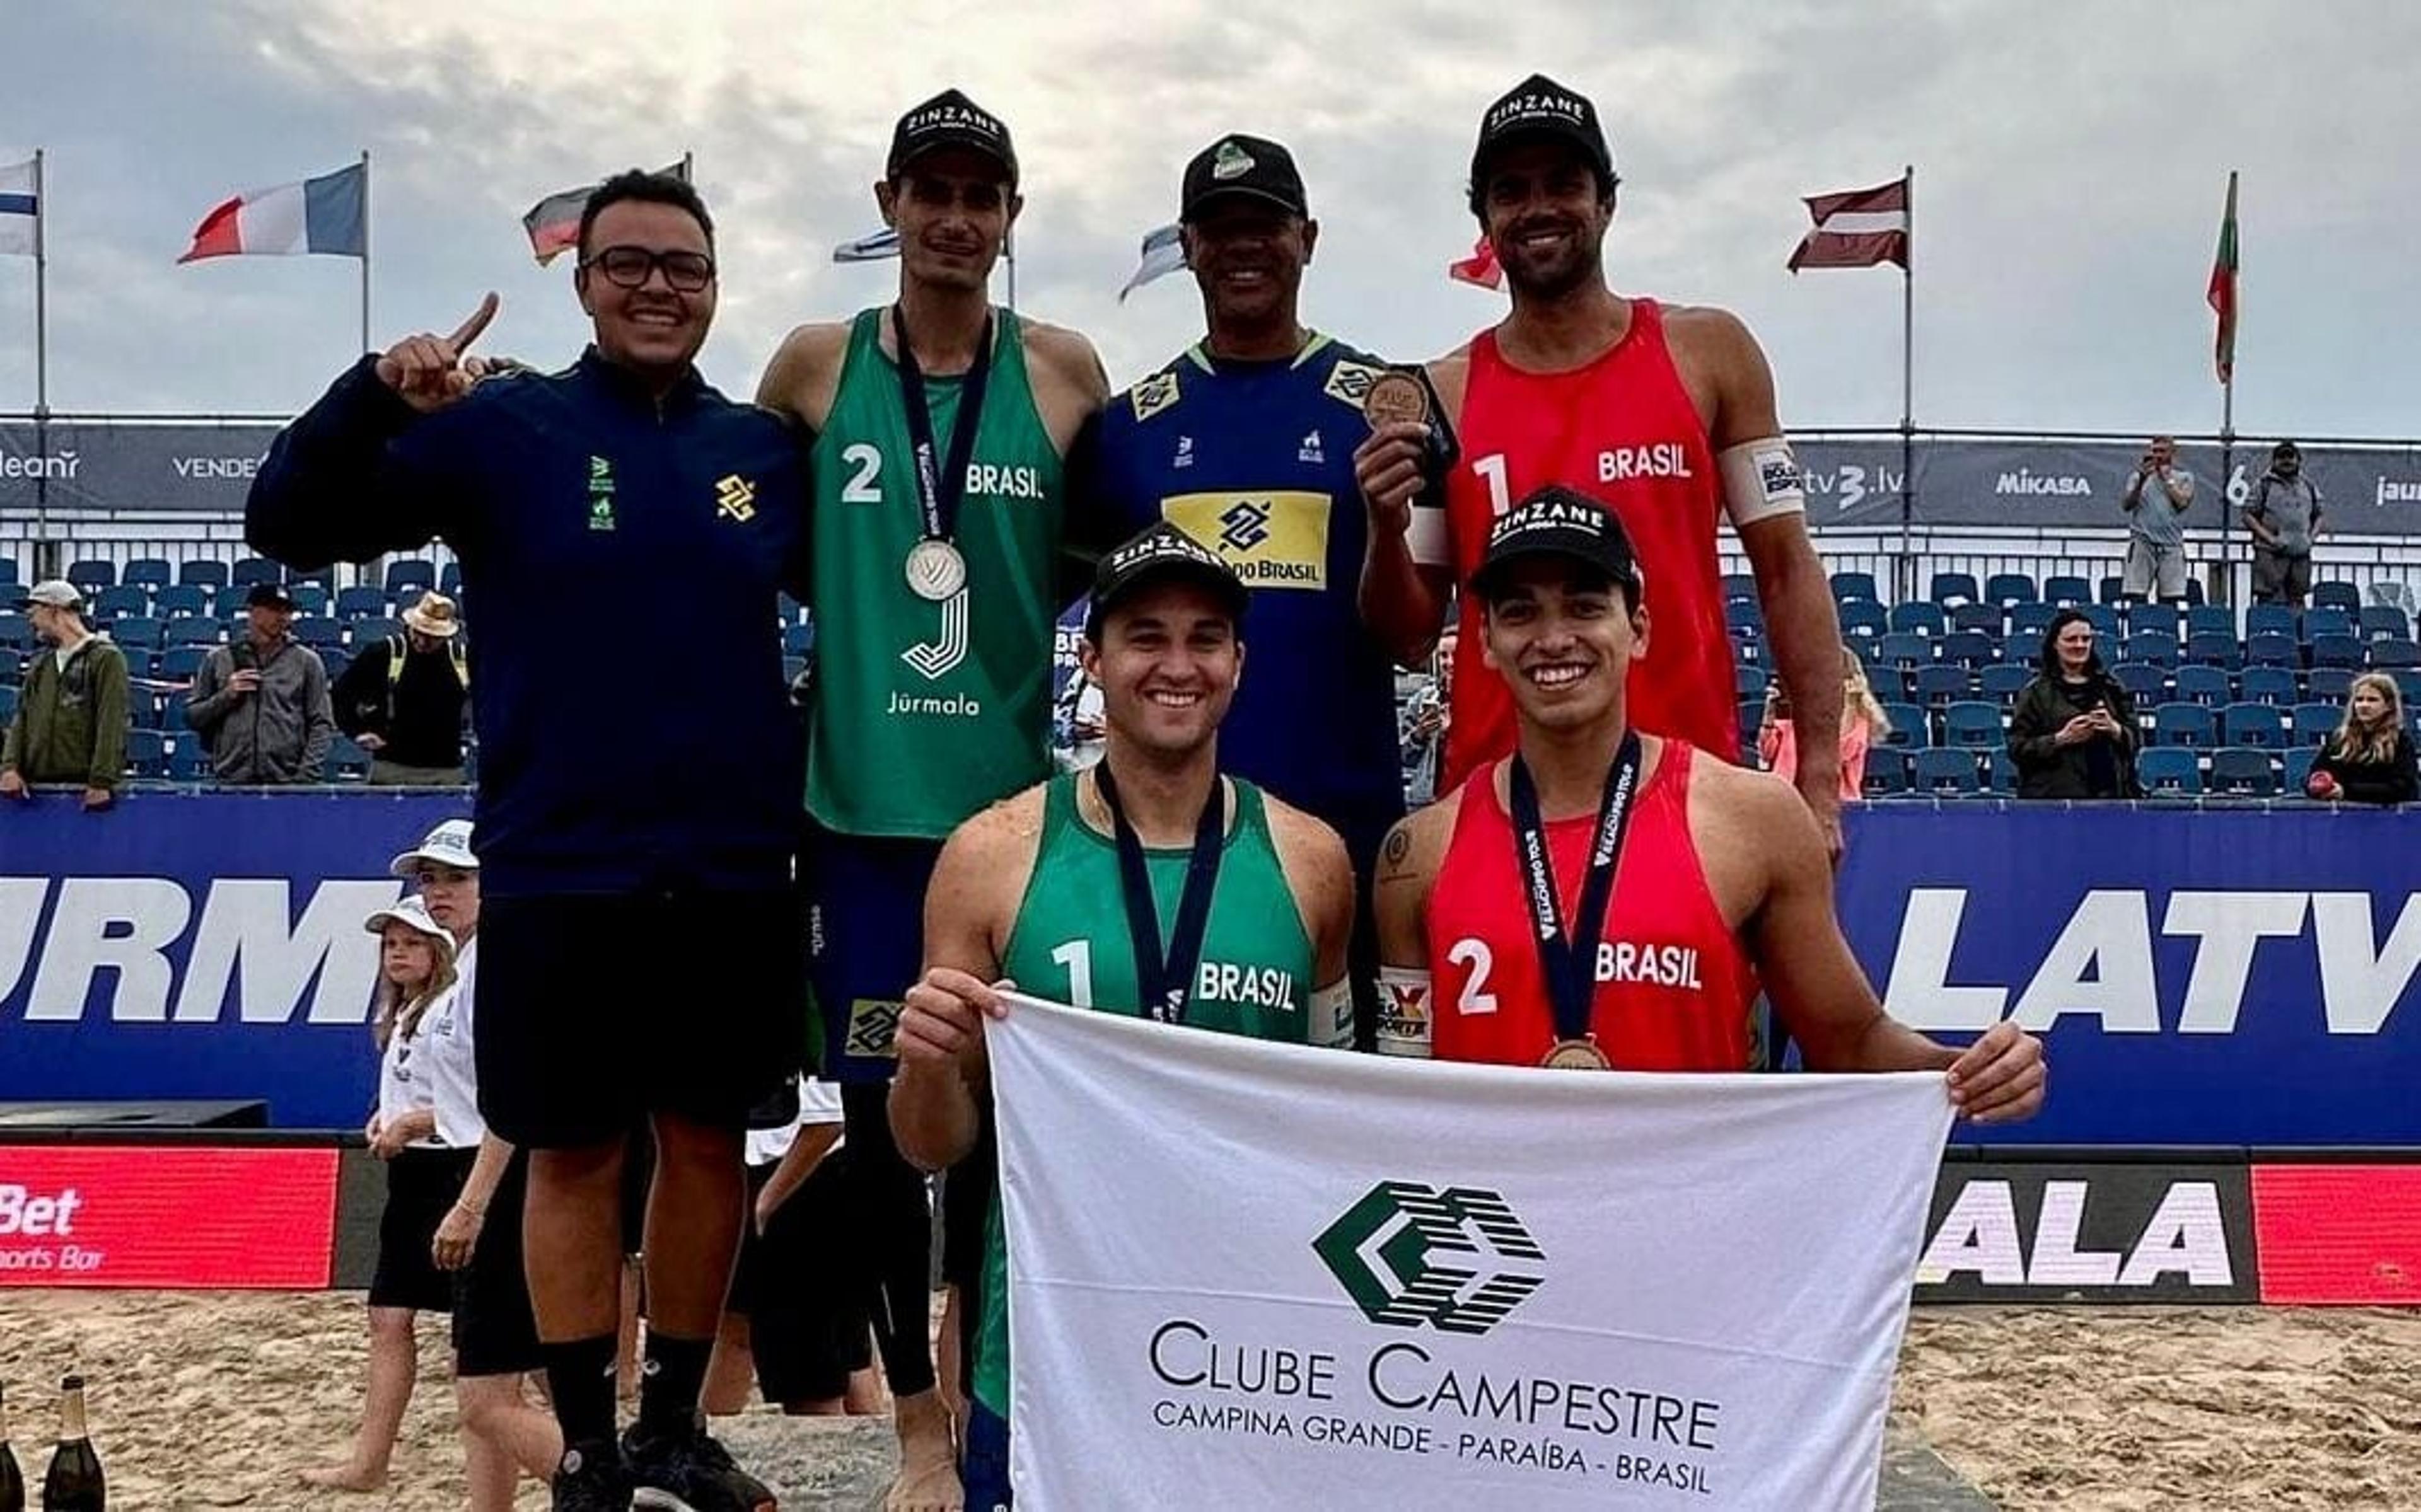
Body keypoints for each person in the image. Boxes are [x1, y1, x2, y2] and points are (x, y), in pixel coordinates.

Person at [247, 168, 806, 1511]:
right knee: (570, 1152)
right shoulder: (507, 427)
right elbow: (290, 518)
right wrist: (377, 390)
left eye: (684, 263)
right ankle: (593, 1447)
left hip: (731, 860)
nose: (659, 285)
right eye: (630, 263)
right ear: (583, 279)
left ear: (716, 282)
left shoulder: (761, 450)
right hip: (562, 858)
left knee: (710, 1140)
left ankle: (672, 1420)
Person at [754, 88, 1112, 1511]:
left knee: (1001, 1150)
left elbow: (1119, 556)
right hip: (856, 825)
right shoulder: (808, 367)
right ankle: (913, 1428)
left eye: (982, 195)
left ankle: (986, 1407)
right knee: (882, 1133)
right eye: (931, 190)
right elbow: (750, 530)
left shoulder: (1070, 374)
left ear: (1012, 215)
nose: (956, 217)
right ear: (891, 202)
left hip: (1014, 829)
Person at [890, 522, 1357, 1510]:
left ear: (1240, 661)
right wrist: (926, 1063)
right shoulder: (994, 854)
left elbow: (1343, 1121)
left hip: (1255, 1358)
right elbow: (933, 1145)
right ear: (1094, 660)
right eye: (1145, 636)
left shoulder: (1312, 861)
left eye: (1205, 637)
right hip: (1052, 1357)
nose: (1176, 665)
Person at [1372, 490, 2045, 1128]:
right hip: (1501, 1241)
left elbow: (1850, 1038)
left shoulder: (1755, 821)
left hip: (1692, 1237)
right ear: (1484, 640)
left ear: (1637, 628)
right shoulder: (1418, 854)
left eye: (1584, 606)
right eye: (1520, 611)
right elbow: (1397, 1102)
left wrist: (1966, 1071)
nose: (1553, 638)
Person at [1353, 73, 1847, 855]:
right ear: (1485, 220)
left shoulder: (1709, 354)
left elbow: (1786, 567)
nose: (1539, 207)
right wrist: (1382, 523)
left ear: (1607, 202)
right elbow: (1409, 634)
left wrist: (1819, 778)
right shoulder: (1441, 393)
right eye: (1512, 190)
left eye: (1564, 183)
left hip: (1690, 805)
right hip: (1500, 811)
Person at [1086, 132, 1415, 1050]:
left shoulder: (1383, 405)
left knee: (1345, 1111)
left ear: (1307, 238)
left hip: (1343, 830)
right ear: (1187, 246)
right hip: (1167, 841)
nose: (1243, 247)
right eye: (1219, 229)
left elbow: (1417, 637)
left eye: (1264, 226)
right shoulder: (1130, 430)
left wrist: (1386, 526)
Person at [383, 821, 564, 1512]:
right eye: (428, 877)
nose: (436, 891)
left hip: (497, 1176)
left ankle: (614, 1487)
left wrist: (472, 1202)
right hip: (488, 1170)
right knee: (517, 1378)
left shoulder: (496, 965)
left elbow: (512, 1099)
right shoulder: (468, 967)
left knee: (485, 1396)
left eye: (455, 877)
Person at [305, 894, 468, 1493]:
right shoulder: (403, 1012)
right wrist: (386, 1117)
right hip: (411, 1179)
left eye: (412, 942)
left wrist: (411, 1124)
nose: (398, 953)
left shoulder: (454, 1007)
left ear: (440, 951)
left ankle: (586, 1438)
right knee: (387, 1316)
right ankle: (369, 1461)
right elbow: (418, 1092)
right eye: (390, 944)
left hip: (454, 1174)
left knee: (492, 1345)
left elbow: (475, 1103)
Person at [702, 1076, 879, 1420]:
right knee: (734, 1326)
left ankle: (838, 1465)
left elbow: (827, 1121)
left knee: (812, 1378)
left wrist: (767, 1201)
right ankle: (699, 1442)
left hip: (801, 1181)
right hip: (765, 1170)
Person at [184, 581, 334, 785]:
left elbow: (322, 722)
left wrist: (305, 776)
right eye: (274, 610)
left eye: (287, 611)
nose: (282, 617)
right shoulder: (219, 659)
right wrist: (226, 696)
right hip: (231, 780)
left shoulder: (307, 661)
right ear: (252, 612)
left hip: (287, 781)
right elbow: (193, 717)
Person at [0, 580, 128, 809]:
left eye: (35, 611)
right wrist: (9, 768)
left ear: (54, 610)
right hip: (36, 789)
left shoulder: (106, 658)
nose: (31, 619)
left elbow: (111, 719)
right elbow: (22, 719)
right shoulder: (41, 664)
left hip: (83, 787)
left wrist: (101, 780)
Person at [332, 589, 470, 785]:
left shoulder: (461, 659)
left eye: (432, 637)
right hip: (392, 768)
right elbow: (341, 694)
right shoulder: (383, 653)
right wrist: (357, 730)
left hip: (447, 771)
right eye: (419, 632)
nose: (422, 642)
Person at [2007, 609, 2142, 800]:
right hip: (2054, 801)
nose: (2080, 645)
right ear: (2055, 644)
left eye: (2086, 639)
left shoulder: (2112, 687)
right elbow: (2016, 749)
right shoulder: (2035, 693)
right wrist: (2061, 739)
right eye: (2071, 639)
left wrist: (2115, 729)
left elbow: (2136, 740)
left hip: (2111, 800)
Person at [1760, 644, 1890, 798]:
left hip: (1838, 802)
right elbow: (1768, 752)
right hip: (1788, 799)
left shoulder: (1859, 722)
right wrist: (1770, 713)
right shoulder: (1797, 709)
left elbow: (1839, 754)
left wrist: (1844, 705)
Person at [2306, 672, 2418, 805]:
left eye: (2372, 700)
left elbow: (2404, 789)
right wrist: (2318, 786)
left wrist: (2347, 792)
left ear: (2389, 705)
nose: (2364, 705)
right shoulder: (2340, 739)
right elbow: (2314, 775)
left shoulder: (2401, 742)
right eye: (2359, 700)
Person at [2245, 441, 2325, 608]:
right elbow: (2248, 516)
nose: (2286, 461)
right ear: (2274, 461)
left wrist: (2311, 538)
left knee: (2298, 602)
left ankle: (2297, 633)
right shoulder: (2263, 485)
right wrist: (2270, 539)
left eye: (2291, 457)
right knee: (2269, 601)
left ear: (2298, 460)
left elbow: (2320, 515)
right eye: (2281, 458)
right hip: (2270, 555)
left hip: (2300, 555)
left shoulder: (2308, 485)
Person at [2120, 435, 2196, 603]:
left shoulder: (2184, 478)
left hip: (2171, 545)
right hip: (2143, 542)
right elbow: (2126, 505)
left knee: (2172, 598)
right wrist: (2141, 480)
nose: (2158, 456)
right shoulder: (2137, 477)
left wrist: (2166, 479)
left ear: (2172, 453)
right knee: (2136, 596)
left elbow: (2182, 503)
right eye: (2155, 451)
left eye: (2162, 451)